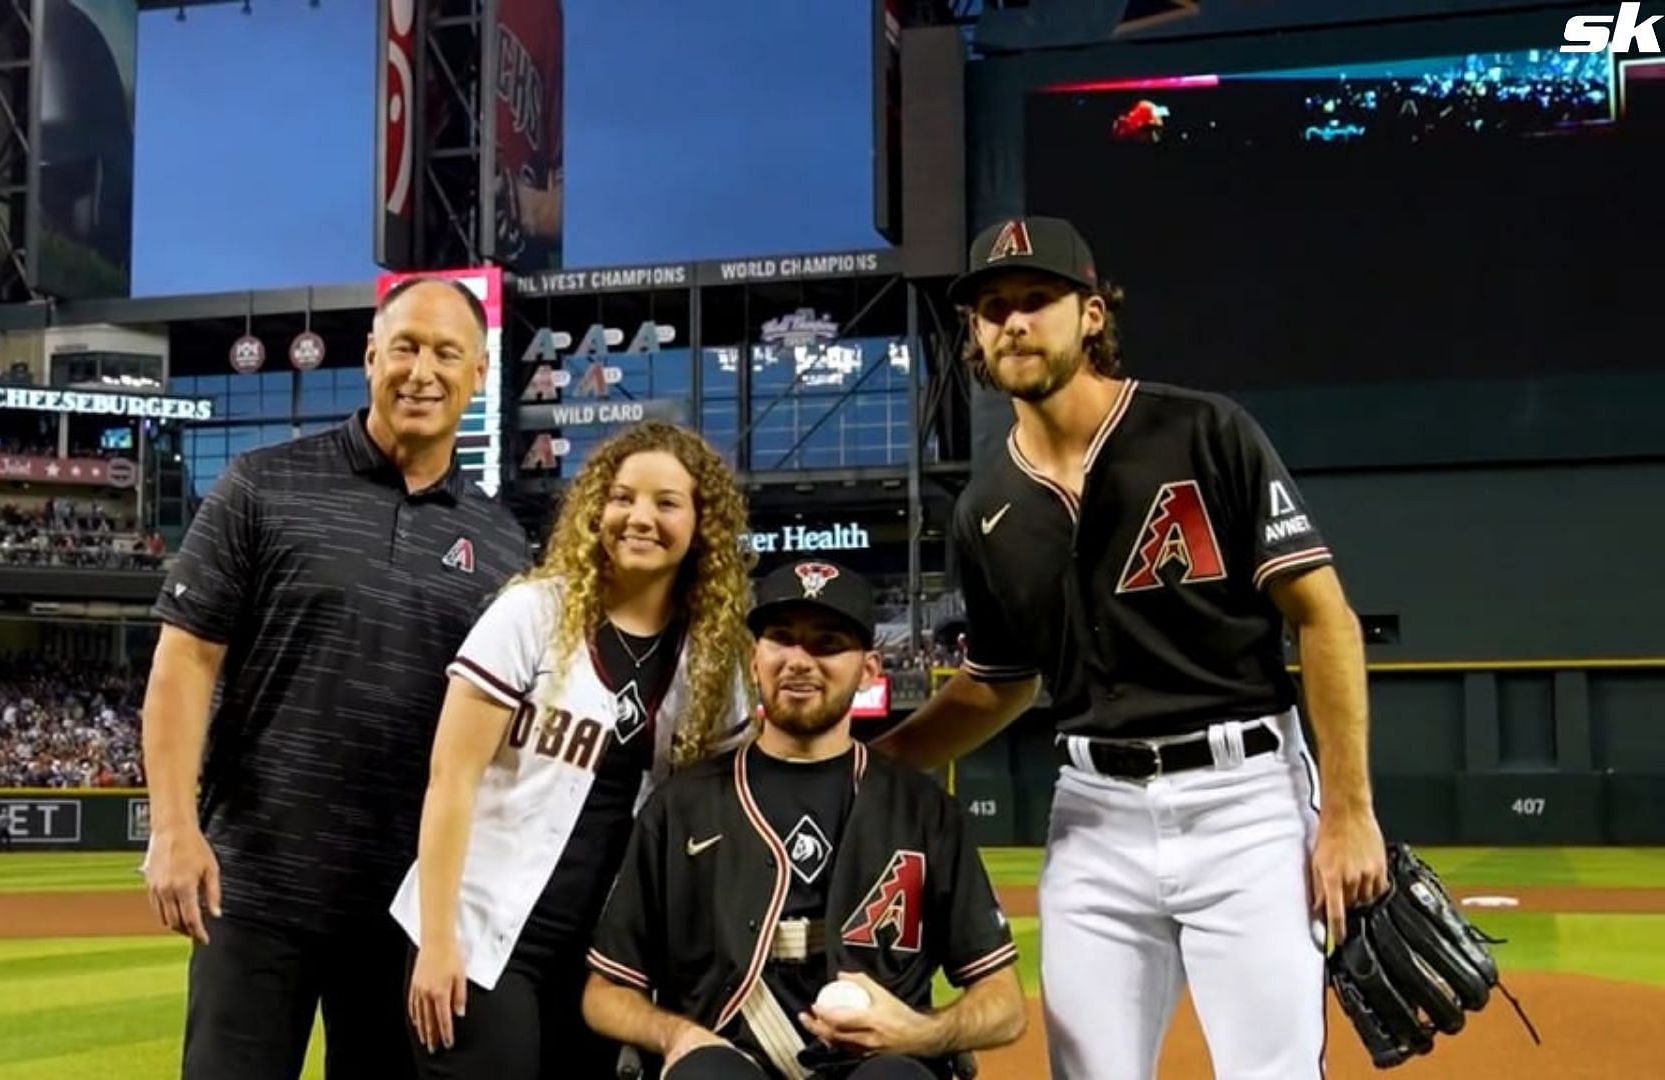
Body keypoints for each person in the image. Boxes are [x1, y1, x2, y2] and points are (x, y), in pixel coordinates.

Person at [874, 216, 1388, 1078]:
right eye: (991, 307)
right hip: (1094, 818)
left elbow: (1324, 617)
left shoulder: (1203, 431)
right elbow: (998, 684)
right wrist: (871, 763)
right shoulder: (987, 505)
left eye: (1037, 300)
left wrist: (1347, 811)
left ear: (1093, 315)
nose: (1013, 322)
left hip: (1247, 800)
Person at [141, 274, 532, 1080]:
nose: (423, 371)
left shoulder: (500, 545)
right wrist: (174, 826)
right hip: (253, 891)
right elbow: (186, 659)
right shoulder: (262, 484)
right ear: (369, 358)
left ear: (480, 373)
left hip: (403, 912)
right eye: (406, 347)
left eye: (447, 353)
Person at [396, 421, 757, 1079]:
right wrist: (438, 939)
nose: (638, 517)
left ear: (703, 524)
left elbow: (717, 822)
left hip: (601, 965)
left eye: (666, 503)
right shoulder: (533, 613)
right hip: (480, 938)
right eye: (621, 498)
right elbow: (450, 778)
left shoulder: (714, 664)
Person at [584, 558, 1026, 1080]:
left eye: (828, 643)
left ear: (868, 671)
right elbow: (605, 991)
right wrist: (675, 1034)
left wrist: (921, 1033)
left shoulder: (921, 809)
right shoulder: (682, 806)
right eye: (782, 639)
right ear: (754, 660)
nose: (799, 660)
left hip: (872, 1067)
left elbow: (1005, 1004)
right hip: (729, 1059)